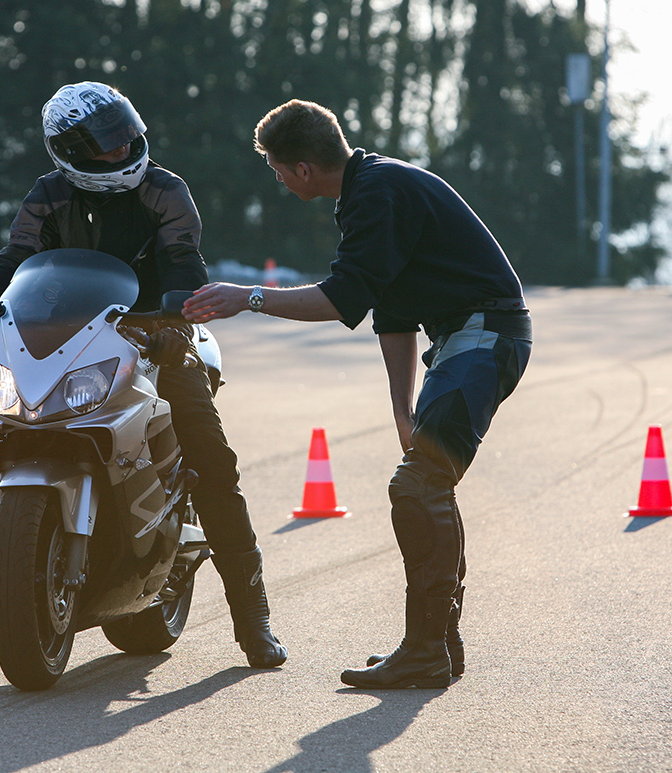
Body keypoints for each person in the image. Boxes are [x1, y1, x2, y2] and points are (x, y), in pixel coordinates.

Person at [0, 81, 287, 670]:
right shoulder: (47, 195)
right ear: (67, 152)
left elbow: (184, 260)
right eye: (103, 146)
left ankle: (253, 617)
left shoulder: (165, 191)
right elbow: (14, 258)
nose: (120, 151)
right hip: (67, 342)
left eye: (124, 137)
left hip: (156, 336)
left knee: (212, 462)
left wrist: (176, 317)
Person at [182, 99, 531, 689]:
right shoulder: (368, 191)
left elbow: (342, 299)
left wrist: (250, 296)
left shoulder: (377, 192)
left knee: (419, 484)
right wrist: (402, 411)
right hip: (463, 339)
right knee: (427, 478)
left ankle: (425, 650)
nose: (277, 179)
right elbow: (391, 312)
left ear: (302, 169)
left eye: (276, 168)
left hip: (484, 335)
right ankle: (438, 646)